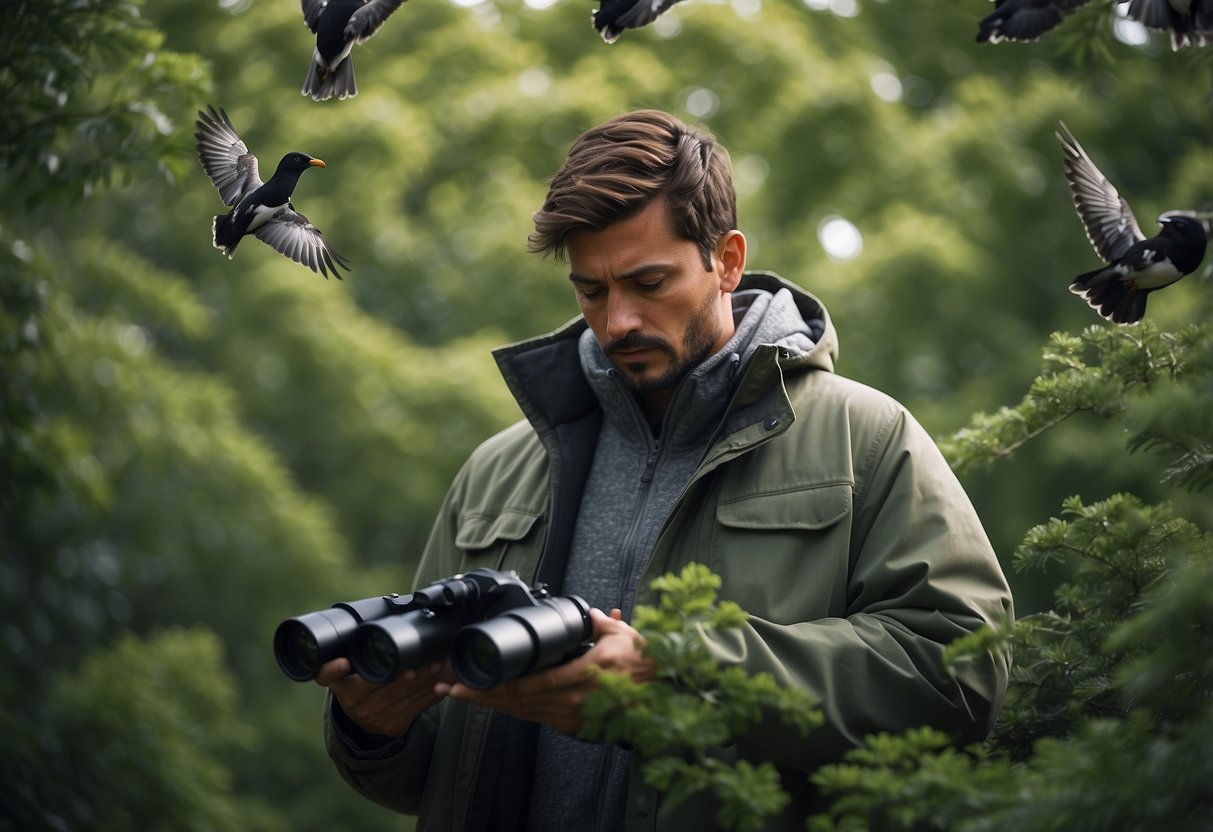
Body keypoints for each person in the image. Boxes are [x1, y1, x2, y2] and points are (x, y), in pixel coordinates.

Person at [316, 109, 1014, 831]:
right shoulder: (496, 471)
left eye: (648, 282)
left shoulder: (865, 437)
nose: (617, 321)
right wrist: (372, 728)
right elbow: (435, 772)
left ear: (728, 260)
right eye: (591, 291)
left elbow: (959, 674)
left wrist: (681, 676)